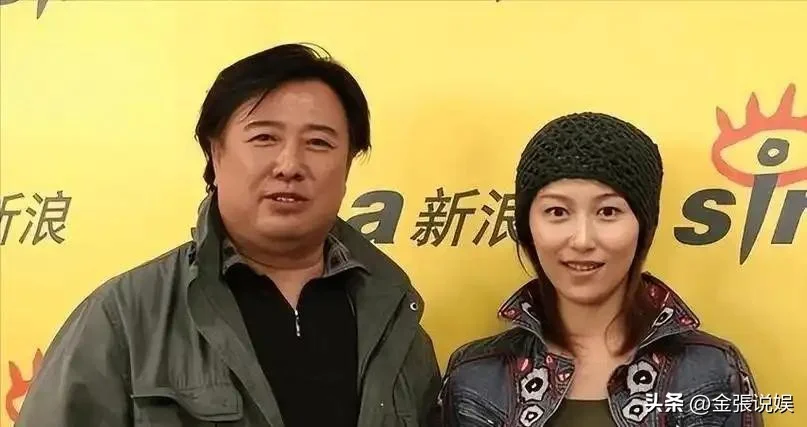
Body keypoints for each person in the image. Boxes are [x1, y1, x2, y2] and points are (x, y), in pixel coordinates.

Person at [17, 43, 441, 427]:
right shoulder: (125, 318)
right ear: (215, 153)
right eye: (264, 137)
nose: (289, 165)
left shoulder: (395, 325)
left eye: (318, 143)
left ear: (347, 165)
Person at [437, 112, 763, 426]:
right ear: (527, 227)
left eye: (608, 211)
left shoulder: (713, 371)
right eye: (557, 211)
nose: (582, 240)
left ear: (643, 227)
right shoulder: (475, 376)